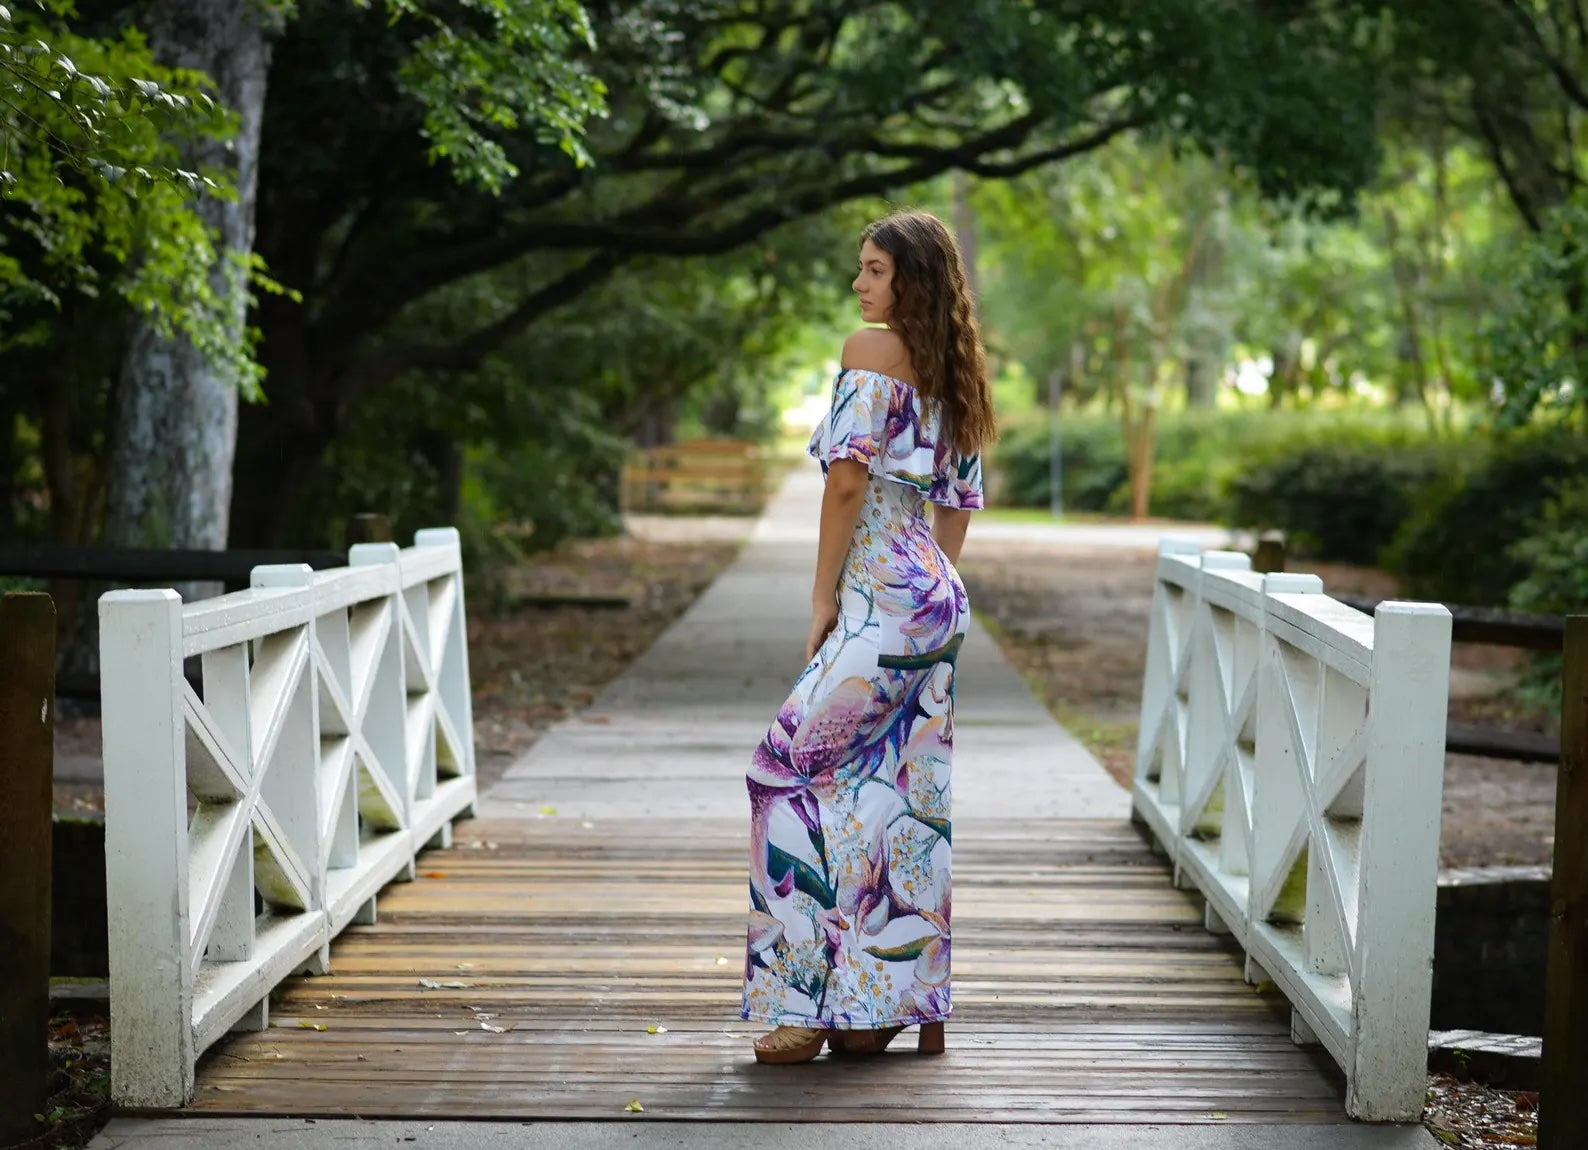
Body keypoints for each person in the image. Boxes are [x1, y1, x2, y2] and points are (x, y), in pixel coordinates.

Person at [740, 209, 995, 1065]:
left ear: (909, 281)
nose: (859, 285)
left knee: (783, 773)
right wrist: (933, 589)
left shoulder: (867, 353)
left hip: (880, 596)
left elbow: (846, 487)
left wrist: (824, 600)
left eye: (874, 270)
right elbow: (955, 505)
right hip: (931, 595)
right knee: (897, 795)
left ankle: (808, 1007)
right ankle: (890, 1003)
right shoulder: (955, 368)